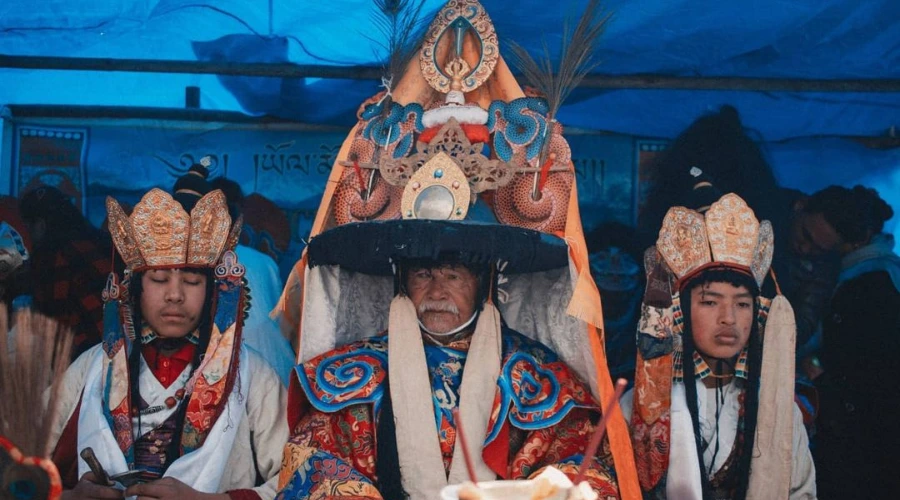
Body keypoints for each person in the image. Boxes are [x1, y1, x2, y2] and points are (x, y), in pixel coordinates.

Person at [275, 1, 639, 498]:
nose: (437, 288)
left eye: (455, 273)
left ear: (487, 281)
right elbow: (312, 462)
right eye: (423, 273)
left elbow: (585, 469)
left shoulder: (534, 376)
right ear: (401, 279)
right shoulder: (354, 375)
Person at [48, 172, 288, 500]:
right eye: (159, 279)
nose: (175, 295)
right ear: (135, 290)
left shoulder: (253, 375)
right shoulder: (91, 369)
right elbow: (20, 462)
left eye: (191, 281)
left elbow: (298, 480)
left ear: (212, 292)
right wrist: (68, 496)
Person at [622, 193, 816, 499]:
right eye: (710, 302)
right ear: (680, 312)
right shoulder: (636, 404)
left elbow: (801, 492)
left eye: (742, 304)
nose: (729, 319)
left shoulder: (779, 410)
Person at [809, 185, 900, 499]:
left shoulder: (869, 284)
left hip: (866, 431)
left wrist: (818, 371)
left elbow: (863, 361)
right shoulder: (882, 272)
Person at [18, 186, 111, 360]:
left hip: (88, 356)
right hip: (118, 348)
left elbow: (54, 328)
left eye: (28, 228)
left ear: (40, 225)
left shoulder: (54, 256)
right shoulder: (97, 242)